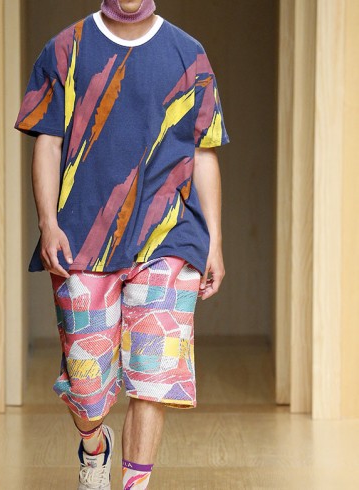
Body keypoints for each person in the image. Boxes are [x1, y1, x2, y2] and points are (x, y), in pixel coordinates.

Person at [14, 0, 230, 488]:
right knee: (88, 388)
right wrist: (48, 223)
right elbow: (47, 141)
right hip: (83, 239)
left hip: (169, 236)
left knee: (152, 379)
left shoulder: (188, 54)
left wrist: (214, 241)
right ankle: (94, 447)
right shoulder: (65, 49)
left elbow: (203, 152)